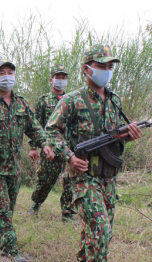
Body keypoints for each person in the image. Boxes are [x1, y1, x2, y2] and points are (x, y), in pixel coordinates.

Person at [45, 44, 143, 262]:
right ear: (86, 69)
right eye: (101, 66)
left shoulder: (114, 100)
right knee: (101, 232)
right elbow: (51, 130)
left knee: (96, 234)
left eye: (110, 66)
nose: (106, 71)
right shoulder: (72, 99)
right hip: (84, 177)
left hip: (108, 178)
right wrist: (69, 156)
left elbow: (114, 136)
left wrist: (130, 133)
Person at [0, 60, 54, 262]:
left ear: (15, 76)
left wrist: (45, 144)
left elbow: (34, 127)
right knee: (3, 209)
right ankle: (12, 249)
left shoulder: (22, 103)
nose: (6, 76)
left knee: (6, 209)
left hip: (14, 167)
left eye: (10, 72)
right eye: (1, 72)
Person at [28, 64, 75, 221]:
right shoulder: (43, 101)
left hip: (68, 147)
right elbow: (36, 125)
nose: (61, 80)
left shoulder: (72, 100)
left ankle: (68, 213)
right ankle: (36, 203)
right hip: (50, 147)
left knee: (69, 180)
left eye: (64, 78)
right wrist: (34, 147)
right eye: (58, 77)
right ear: (51, 80)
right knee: (47, 178)